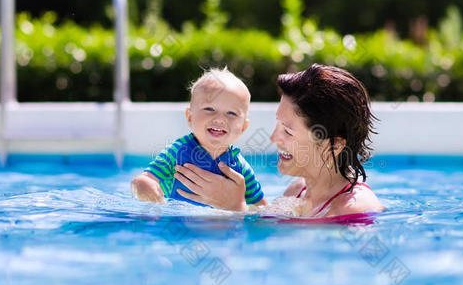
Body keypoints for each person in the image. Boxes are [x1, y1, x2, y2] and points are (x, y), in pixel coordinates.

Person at [173, 64, 384, 217]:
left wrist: (235, 207)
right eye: (278, 124)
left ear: (335, 145)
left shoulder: (354, 210)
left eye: (288, 132)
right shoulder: (297, 191)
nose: (274, 138)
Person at [130, 67, 267, 207]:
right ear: (190, 117)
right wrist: (144, 186)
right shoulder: (177, 153)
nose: (220, 119)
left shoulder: (241, 169)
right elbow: (144, 178)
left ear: (243, 127)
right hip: (176, 225)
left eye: (231, 113)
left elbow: (262, 209)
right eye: (209, 109)